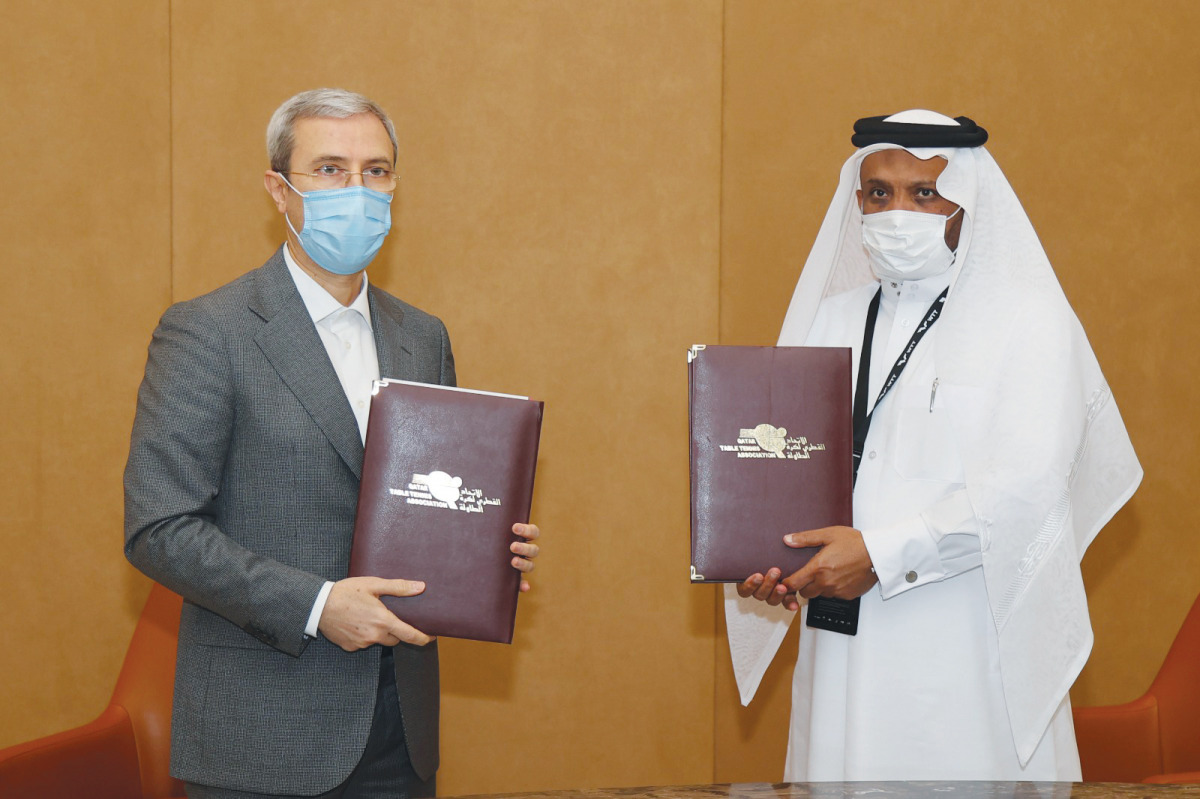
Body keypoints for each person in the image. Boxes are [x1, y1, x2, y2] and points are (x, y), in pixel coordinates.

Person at [124, 88, 541, 798]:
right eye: (329, 170)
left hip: (398, 733)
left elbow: (430, 498)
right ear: (278, 191)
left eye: (376, 171)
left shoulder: (422, 335)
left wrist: (486, 551)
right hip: (262, 738)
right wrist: (318, 604)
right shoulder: (208, 332)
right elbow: (159, 528)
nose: (358, 190)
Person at [725, 110, 1141, 781]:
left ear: (966, 203)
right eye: (880, 193)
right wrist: (776, 560)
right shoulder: (831, 317)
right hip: (840, 650)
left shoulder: (1026, 321)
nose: (898, 212)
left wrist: (884, 553)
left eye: (925, 192)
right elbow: (784, 467)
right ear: (856, 200)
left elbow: (1027, 493)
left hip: (965, 650)